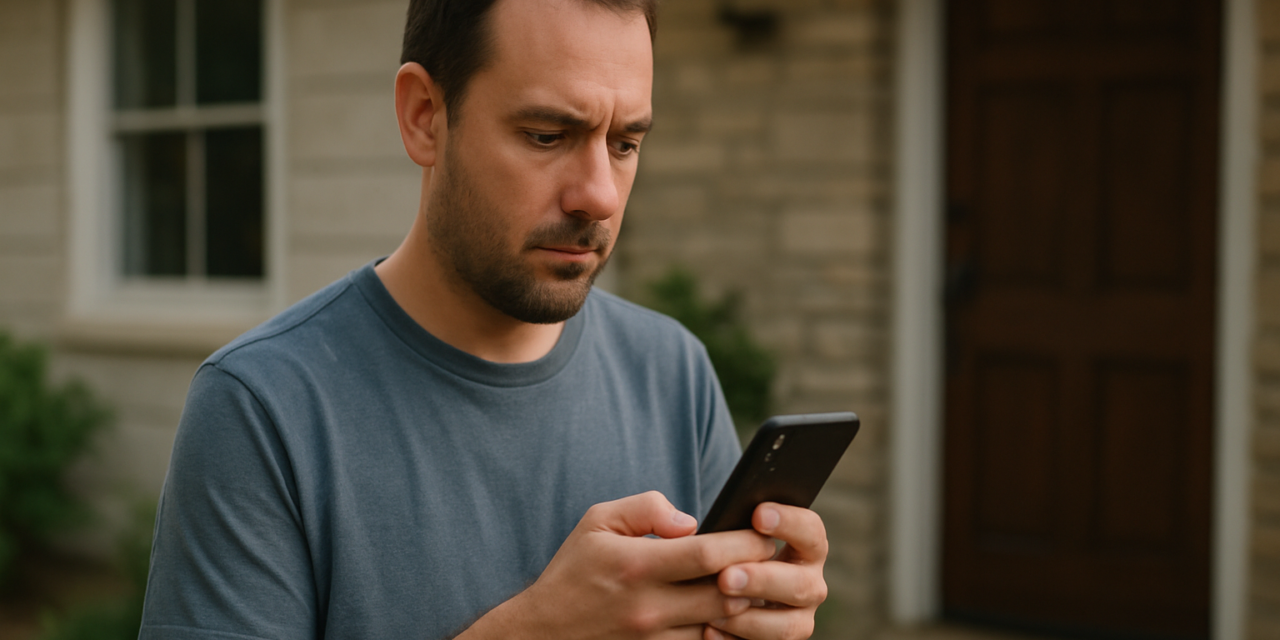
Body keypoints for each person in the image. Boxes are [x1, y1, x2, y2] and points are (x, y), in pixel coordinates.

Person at [138, 0, 830, 638]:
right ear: (424, 117)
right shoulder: (262, 407)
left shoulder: (672, 370)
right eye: (547, 134)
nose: (598, 195)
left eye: (624, 144)